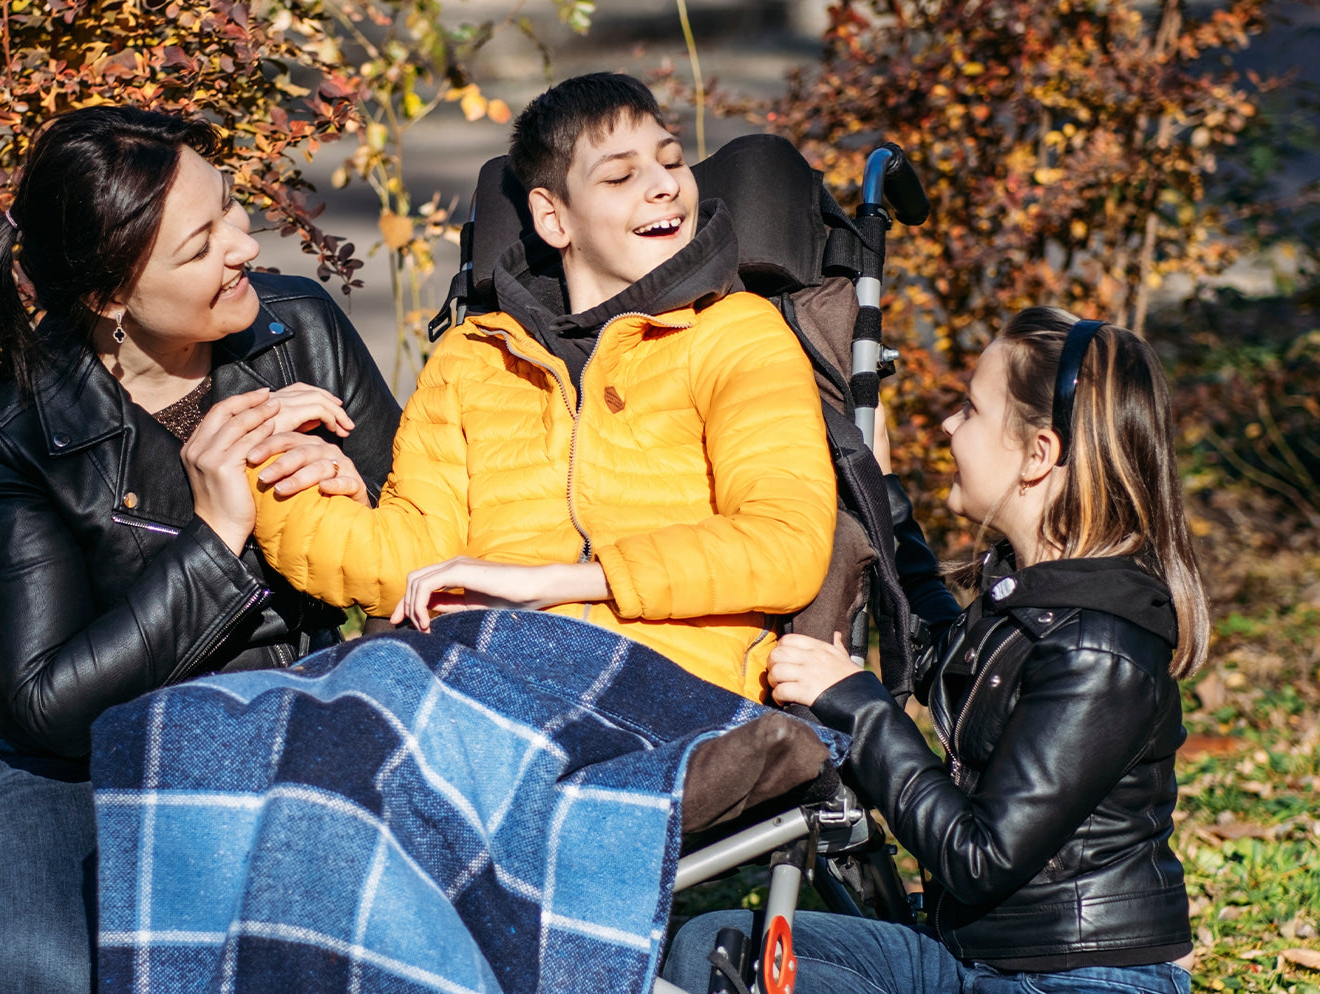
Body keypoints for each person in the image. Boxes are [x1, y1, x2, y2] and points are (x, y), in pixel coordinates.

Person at [0, 106, 400, 994]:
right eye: (201, 245)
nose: (243, 244)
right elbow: (47, 703)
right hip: (77, 769)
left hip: (284, 716)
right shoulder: (15, 433)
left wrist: (360, 502)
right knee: (48, 969)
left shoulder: (296, 326)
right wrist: (216, 537)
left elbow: (423, 549)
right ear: (111, 298)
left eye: (230, 207)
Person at [665, 307, 1209, 994]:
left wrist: (856, 705)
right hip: (971, 963)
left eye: (970, 410)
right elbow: (943, 657)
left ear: (1038, 456)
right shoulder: (1032, 592)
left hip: (1078, 979)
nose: (950, 426)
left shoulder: (1100, 645)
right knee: (717, 946)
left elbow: (978, 857)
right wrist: (884, 500)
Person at [244, 72, 838, 701]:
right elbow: (408, 563)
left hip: (668, 683)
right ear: (554, 218)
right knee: (214, 735)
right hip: (481, 675)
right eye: (620, 176)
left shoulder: (738, 334)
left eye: (671, 161)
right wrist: (270, 471)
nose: (665, 185)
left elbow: (784, 546)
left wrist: (556, 582)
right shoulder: (473, 358)